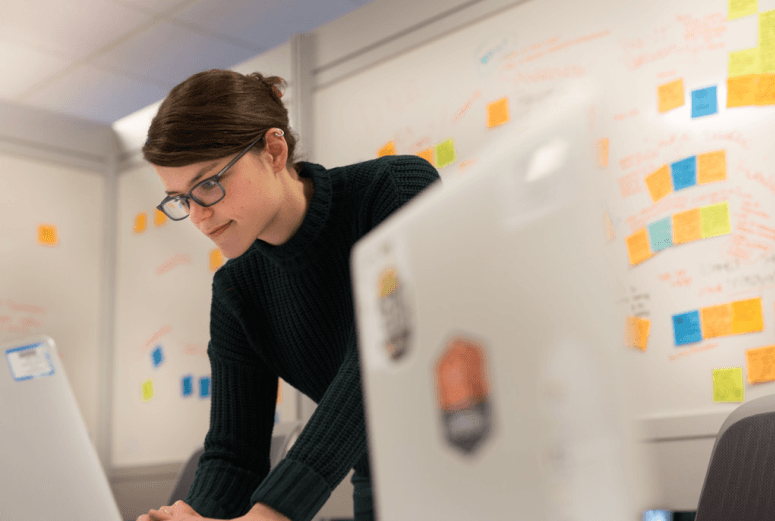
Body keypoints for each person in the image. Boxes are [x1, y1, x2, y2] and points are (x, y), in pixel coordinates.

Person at [136, 69, 441, 521]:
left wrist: (271, 513)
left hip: (493, 451)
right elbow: (234, 454)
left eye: (208, 184)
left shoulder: (392, 189)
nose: (199, 216)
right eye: (181, 198)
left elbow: (382, 358)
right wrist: (192, 516)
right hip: (386, 481)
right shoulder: (236, 288)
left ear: (274, 151)